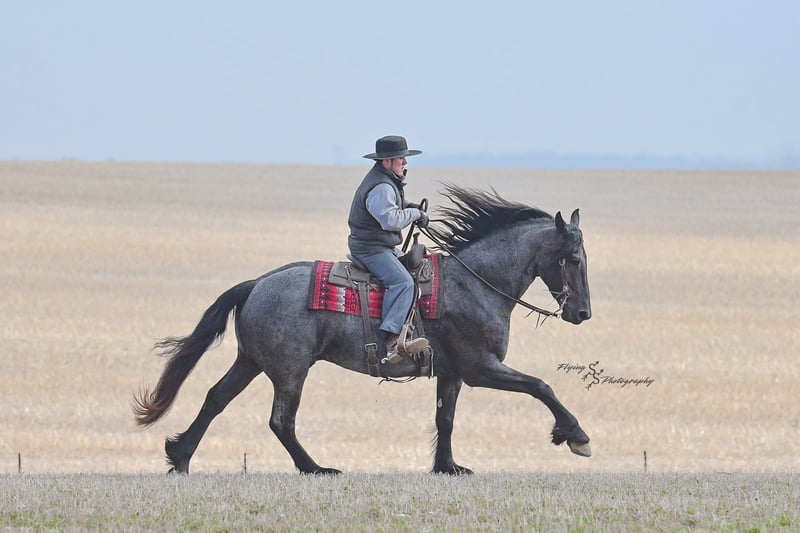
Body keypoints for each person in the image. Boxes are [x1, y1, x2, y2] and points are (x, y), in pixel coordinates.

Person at [348, 135, 430, 363]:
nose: (405, 162)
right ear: (386, 161)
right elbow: (390, 220)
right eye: (400, 158)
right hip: (371, 249)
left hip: (379, 245)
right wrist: (415, 213)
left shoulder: (385, 180)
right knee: (403, 282)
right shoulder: (382, 186)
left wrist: (410, 207)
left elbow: (392, 207)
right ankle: (393, 341)